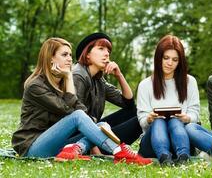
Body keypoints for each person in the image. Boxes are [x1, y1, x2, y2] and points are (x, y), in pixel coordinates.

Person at [11, 37, 152, 165]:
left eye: (70, 55)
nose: (69, 59)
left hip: (55, 144)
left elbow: (81, 110)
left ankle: (76, 149)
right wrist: (69, 77)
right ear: (51, 58)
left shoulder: (63, 82)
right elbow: (69, 110)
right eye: (64, 55)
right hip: (33, 146)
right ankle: (118, 152)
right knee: (80, 117)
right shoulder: (36, 85)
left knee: (100, 124)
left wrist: (67, 79)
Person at [137, 35, 200, 165]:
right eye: (166, 58)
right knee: (159, 120)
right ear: (158, 57)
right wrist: (149, 118)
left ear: (180, 62)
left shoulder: (190, 82)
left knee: (174, 121)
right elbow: (142, 121)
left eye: (175, 60)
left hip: (180, 137)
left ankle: (183, 156)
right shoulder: (145, 85)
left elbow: (195, 113)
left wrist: (186, 118)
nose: (169, 63)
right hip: (152, 143)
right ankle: (164, 157)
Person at [73, 33, 142, 152]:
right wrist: (96, 150)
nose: (107, 54)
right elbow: (76, 118)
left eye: (108, 51)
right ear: (87, 54)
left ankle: (108, 147)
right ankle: (105, 148)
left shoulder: (98, 79)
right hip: (77, 139)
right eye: (101, 49)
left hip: (93, 131)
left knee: (136, 112)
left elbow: (128, 104)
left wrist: (119, 75)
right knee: (139, 119)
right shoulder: (78, 75)